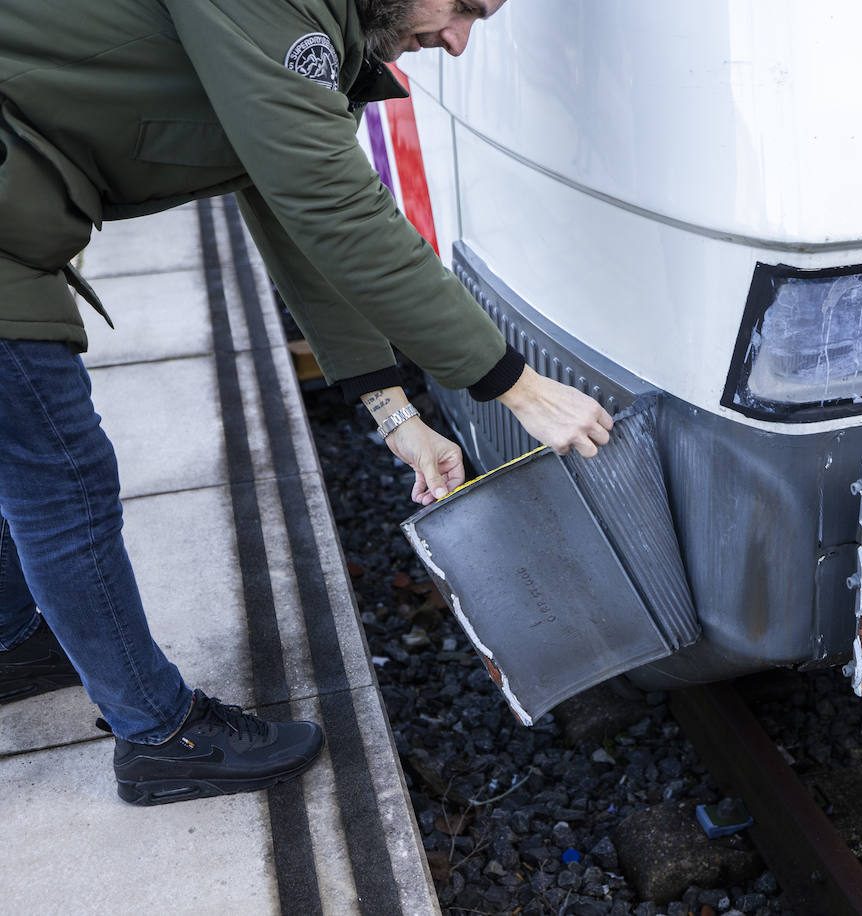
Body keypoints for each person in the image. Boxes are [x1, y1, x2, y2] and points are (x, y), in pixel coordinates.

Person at [0, 0, 612, 805]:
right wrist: (516, 386)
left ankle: (12, 644)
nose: (458, 41)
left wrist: (397, 416)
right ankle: (159, 734)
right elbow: (333, 208)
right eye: (465, 6)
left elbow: (296, 211)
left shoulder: (312, 29)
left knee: (25, 452)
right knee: (61, 477)